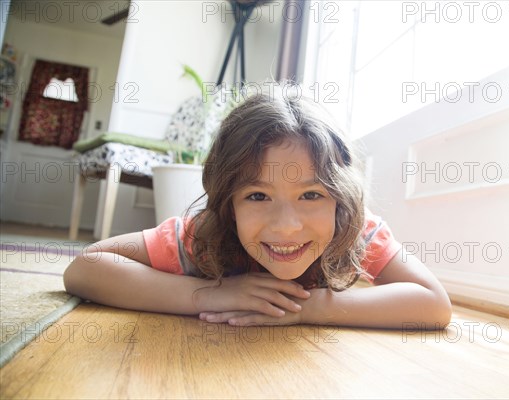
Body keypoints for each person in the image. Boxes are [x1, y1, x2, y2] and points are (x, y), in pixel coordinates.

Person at [64, 88, 452, 329]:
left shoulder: (356, 230)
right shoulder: (206, 233)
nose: (286, 227)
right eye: (258, 196)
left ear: (341, 197)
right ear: (228, 203)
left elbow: (433, 304)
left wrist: (309, 308)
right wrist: (211, 294)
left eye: (311, 195)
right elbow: (86, 268)